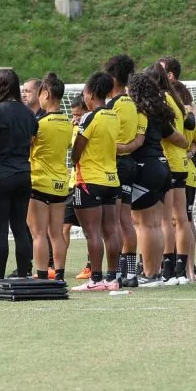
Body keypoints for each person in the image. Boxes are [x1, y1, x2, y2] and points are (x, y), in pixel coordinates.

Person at [128, 71, 188, 287]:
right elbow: (179, 139)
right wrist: (189, 147)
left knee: (143, 224)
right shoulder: (157, 113)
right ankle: (156, 273)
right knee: (156, 224)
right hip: (163, 167)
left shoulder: (136, 112)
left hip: (144, 168)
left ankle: (149, 272)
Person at [0, 68, 37, 280]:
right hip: (23, 173)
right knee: (20, 227)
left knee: (1, 230)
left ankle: (0, 277)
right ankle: (23, 274)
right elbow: (31, 141)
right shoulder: (28, 113)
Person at [70, 72, 122, 292]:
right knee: (111, 230)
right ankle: (112, 277)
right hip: (112, 179)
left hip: (89, 180)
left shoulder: (89, 117)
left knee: (92, 232)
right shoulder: (114, 116)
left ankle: (96, 278)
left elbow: (77, 150)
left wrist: (75, 155)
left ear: (90, 93)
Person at [27, 72, 73, 281]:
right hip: (60, 183)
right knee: (56, 233)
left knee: (38, 234)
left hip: (39, 182)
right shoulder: (68, 123)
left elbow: (27, 146)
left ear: (46, 93)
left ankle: (43, 273)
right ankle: (60, 273)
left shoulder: (39, 123)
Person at [152, 64, 195, 285]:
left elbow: (167, 132)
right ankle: (180, 269)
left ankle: (168, 268)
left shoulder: (162, 100)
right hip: (181, 163)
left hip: (169, 161)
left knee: (167, 219)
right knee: (182, 218)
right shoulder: (177, 101)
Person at [105, 55, 140, 287]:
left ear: (111, 77)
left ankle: (116, 271)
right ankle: (130, 273)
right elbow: (138, 136)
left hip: (114, 163)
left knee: (114, 221)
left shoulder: (112, 106)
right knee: (126, 220)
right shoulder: (133, 103)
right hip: (130, 163)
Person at [173, 80, 196, 282]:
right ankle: (188, 267)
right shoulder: (188, 116)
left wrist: (189, 151)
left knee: (181, 220)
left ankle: (186, 267)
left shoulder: (181, 116)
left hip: (181, 171)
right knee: (185, 220)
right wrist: (191, 150)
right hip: (187, 171)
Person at [64, 96, 89, 280]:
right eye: (73, 115)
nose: (76, 118)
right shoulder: (72, 127)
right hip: (72, 183)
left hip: (87, 181)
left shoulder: (90, 128)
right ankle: (58, 267)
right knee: (63, 226)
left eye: (79, 115)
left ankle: (90, 266)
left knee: (90, 229)